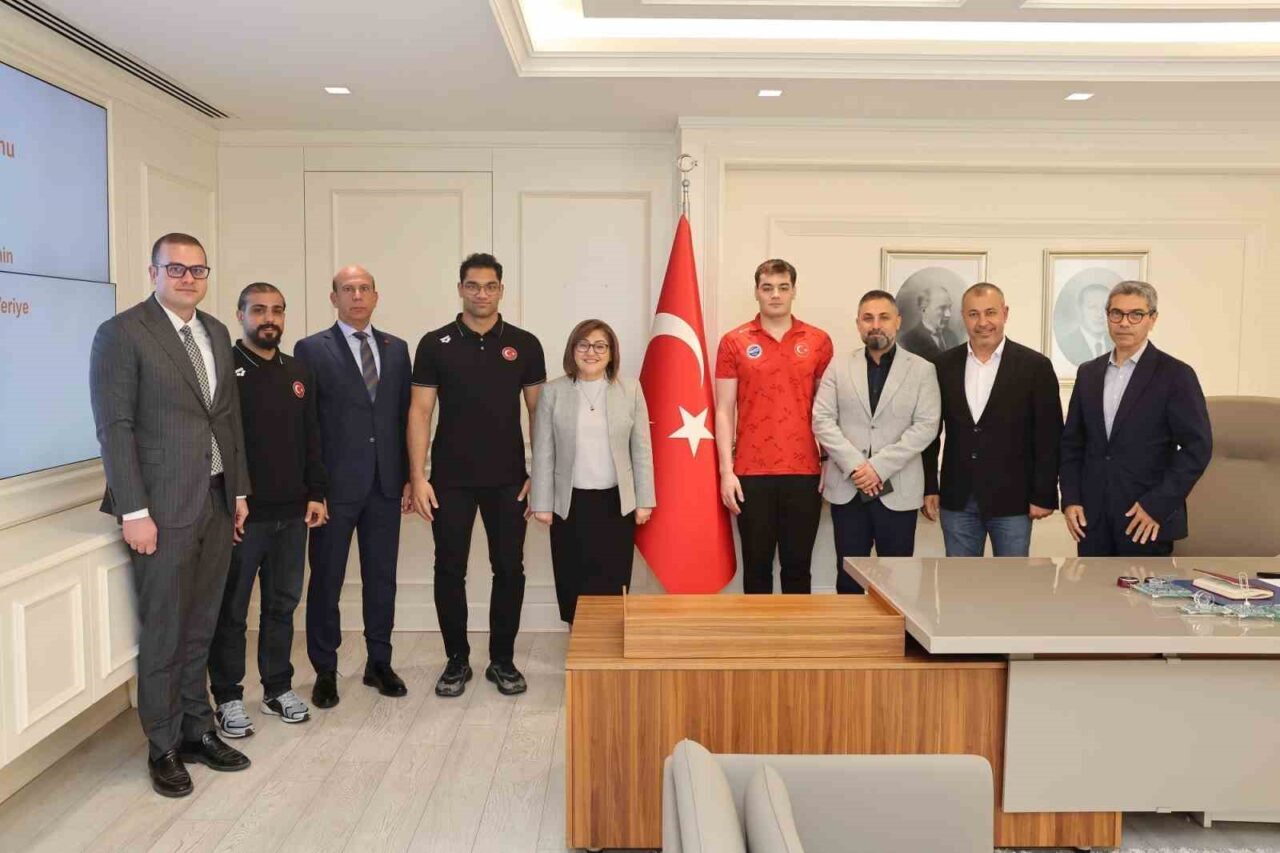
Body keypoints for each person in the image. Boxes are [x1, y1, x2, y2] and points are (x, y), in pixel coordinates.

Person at [89, 232, 251, 797]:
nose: (187, 278)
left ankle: (196, 730)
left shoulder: (216, 332)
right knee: (164, 629)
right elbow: (115, 428)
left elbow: (226, 420)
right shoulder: (122, 333)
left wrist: (239, 493)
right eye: (175, 268)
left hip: (215, 499)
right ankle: (162, 745)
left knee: (202, 623)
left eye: (197, 269)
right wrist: (133, 509)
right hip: (158, 507)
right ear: (153, 272)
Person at [409, 253, 546, 697]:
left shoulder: (525, 344)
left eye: (489, 286)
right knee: (449, 568)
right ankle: (456, 660)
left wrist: (540, 474)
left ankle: (502, 660)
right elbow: (420, 412)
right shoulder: (435, 344)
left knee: (509, 568)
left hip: (509, 479)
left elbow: (539, 414)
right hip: (449, 480)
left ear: (501, 290)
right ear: (460, 289)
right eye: (473, 285)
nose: (481, 294)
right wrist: (418, 477)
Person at [207, 283, 327, 739]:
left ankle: (277, 688)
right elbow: (216, 443)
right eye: (258, 310)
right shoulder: (223, 368)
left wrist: (316, 492)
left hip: (293, 513)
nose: (269, 318)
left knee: (281, 605)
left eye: (277, 310)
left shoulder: (299, 371)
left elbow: (312, 435)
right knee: (232, 611)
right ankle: (228, 696)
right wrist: (229, 499)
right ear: (240, 315)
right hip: (242, 515)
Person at [294, 265, 413, 708]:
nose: (357, 296)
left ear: (376, 296)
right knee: (327, 579)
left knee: (382, 579)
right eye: (348, 289)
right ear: (334, 298)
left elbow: (404, 417)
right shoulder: (311, 349)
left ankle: (379, 662)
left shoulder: (397, 349)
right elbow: (306, 424)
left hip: (386, 485)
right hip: (333, 489)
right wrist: (314, 488)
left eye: (364, 289)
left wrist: (408, 477)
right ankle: (325, 670)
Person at [1060, 281, 1212, 556]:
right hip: (1092, 518)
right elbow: (1073, 443)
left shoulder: (1176, 374)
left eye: (1136, 315)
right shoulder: (1088, 373)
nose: (1124, 322)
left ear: (1152, 319)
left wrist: (1158, 505)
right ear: (1107, 317)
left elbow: (1198, 448)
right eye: (1116, 313)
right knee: (1090, 585)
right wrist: (1071, 498)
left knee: (1141, 587)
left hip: (1145, 518)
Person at [714, 259, 833, 594]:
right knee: (756, 567)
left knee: (798, 568)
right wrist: (726, 471)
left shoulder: (818, 341)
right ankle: (759, 632)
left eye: (783, 287)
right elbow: (723, 410)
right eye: (767, 288)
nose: (775, 295)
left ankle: (796, 631)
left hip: (804, 470)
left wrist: (828, 460)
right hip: (750, 472)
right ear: (756, 292)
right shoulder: (734, 341)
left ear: (794, 291)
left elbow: (827, 410)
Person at [812, 290, 940, 593]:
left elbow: (926, 426)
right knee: (849, 579)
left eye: (884, 317)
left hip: (899, 489)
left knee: (898, 583)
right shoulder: (838, 366)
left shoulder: (922, 369)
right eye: (868, 318)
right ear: (858, 323)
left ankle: (893, 628)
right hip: (849, 488)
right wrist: (858, 467)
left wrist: (878, 468)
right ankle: (852, 628)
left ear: (898, 321)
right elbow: (822, 419)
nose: (876, 325)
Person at [921, 283, 1062, 557]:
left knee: (1011, 581)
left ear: (1005, 313)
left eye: (990, 313)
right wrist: (929, 486)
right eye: (973, 314)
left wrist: (1044, 494)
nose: (983, 322)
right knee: (961, 579)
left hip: (1014, 500)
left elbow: (1049, 436)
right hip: (957, 499)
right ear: (963, 317)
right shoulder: (942, 366)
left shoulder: (1035, 366)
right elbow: (929, 433)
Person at [530, 320, 655, 623]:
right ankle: (579, 641)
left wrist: (644, 500)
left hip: (617, 503)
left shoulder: (630, 389)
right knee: (572, 577)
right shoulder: (553, 392)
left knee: (612, 579)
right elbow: (544, 451)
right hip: (569, 504)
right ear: (572, 350)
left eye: (600, 346)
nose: (591, 352)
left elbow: (641, 449)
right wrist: (541, 503)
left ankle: (609, 643)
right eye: (583, 345)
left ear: (611, 353)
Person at [899, 284, 960, 361]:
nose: (948, 314)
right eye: (942, 308)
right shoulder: (907, 342)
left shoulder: (952, 336)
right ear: (923, 310)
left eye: (949, 307)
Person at [1058, 283, 1111, 364]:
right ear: (1080, 310)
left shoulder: (1117, 344)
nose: (1100, 314)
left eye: (1105, 308)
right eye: (1092, 307)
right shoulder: (1066, 343)